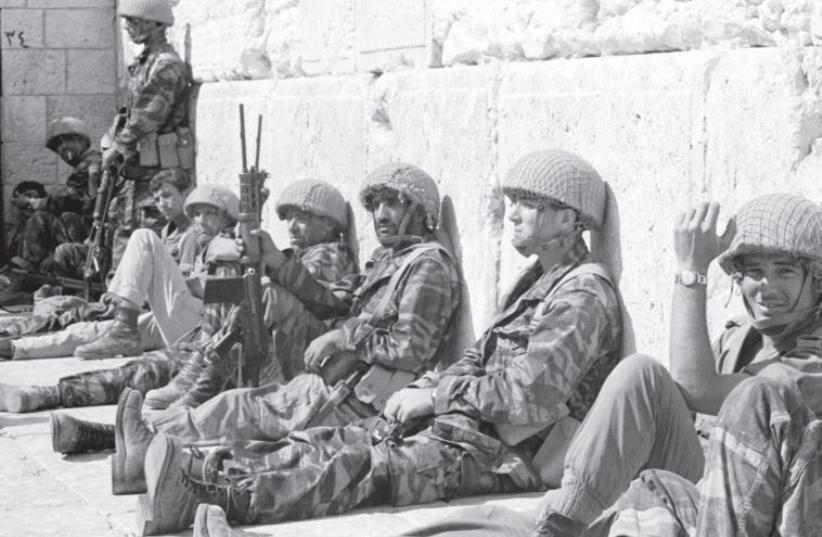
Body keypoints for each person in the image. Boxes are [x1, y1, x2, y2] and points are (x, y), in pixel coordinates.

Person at [129, 150, 623, 536]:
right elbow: (478, 356)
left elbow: (530, 394)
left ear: (568, 220)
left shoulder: (582, 294)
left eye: (528, 204)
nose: (511, 214)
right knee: (323, 443)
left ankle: (209, 497)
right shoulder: (539, 281)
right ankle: (194, 472)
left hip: (501, 453)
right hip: (460, 425)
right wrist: (435, 390)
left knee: (354, 468)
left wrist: (433, 394)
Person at [421, 192, 822, 537]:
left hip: (738, 510)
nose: (766, 287)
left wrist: (691, 273)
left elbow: (695, 385)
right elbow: (680, 404)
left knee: (648, 384)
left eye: (784, 272)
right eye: (754, 272)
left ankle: (563, 522)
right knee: (472, 526)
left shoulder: (813, 356)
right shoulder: (742, 336)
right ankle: (564, 517)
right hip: (702, 481)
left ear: (817, 280)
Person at [41, 180, 359, 455]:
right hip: (232, 344)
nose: (291, 226)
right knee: (152, 369)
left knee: (205, 402)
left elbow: (328, 306)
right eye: (287, 218)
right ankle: (50, 395)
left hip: (287, 364)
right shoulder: (297, 255)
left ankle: (117, 429)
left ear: (330, 224)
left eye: (302, 218)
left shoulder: (330, 255)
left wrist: (271, 263)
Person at [0, 169, 199, 360]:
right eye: (157, 199)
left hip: (187, 320)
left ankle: (123, 322)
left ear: (186, 194)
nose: (162, 204)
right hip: (160, 317)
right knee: (86, 331)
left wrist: (139, 293)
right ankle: (14, 347)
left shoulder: (194, 233)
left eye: (167, 196)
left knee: (142, 237)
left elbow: (191, 284)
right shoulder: (168, 232)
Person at [104, 0, 193, 270]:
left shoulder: (166, 65)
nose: (128, 27)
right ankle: (119, 298)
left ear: (154, 24)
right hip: (138, 167)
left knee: (150, 234)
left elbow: (147, 115)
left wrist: (118, 148)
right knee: (124, 229)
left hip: (156, 170)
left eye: (134, 21)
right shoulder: (145, 62)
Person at [0, 117, 99, 304]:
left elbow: (70, 199)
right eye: (58, 145)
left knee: (40, 219)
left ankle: (28, 282)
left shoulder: (91, 162)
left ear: (80, 140)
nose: (62, 149)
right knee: (44, 218)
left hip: (94, 234)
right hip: (88, 230)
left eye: (66, 141)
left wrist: (33, 202)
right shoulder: (85, 164)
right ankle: (29, 278)